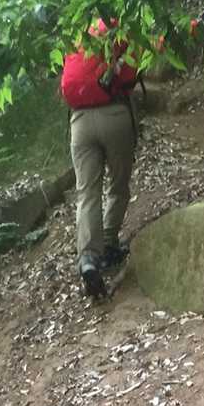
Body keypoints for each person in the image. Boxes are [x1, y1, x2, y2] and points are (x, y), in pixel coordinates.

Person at [59, 18, 139, 299]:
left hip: (80, 123)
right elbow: (131, 73)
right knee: (118, 184)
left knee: (87, 193)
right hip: (114, 115)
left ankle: (88, 258)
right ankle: (108, 243)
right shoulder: (119, 34)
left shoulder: (77, 39)